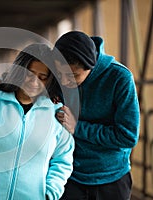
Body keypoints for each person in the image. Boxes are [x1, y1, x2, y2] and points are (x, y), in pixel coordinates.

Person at [0, 44, 75, 200]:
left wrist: (50, 192)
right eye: (29, 74)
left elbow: (63, 158)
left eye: (42, 77)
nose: (34, 81)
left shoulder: (55, 114)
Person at [53, 31, 140, 200]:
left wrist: (78, 127)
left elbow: (127, 136)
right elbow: (27, 84)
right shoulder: (58, 75)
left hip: (111, 178)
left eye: (73, 76)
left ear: (91, 67)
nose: (64, 81)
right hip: (69, 175)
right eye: (59, 74)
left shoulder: (120, 78)